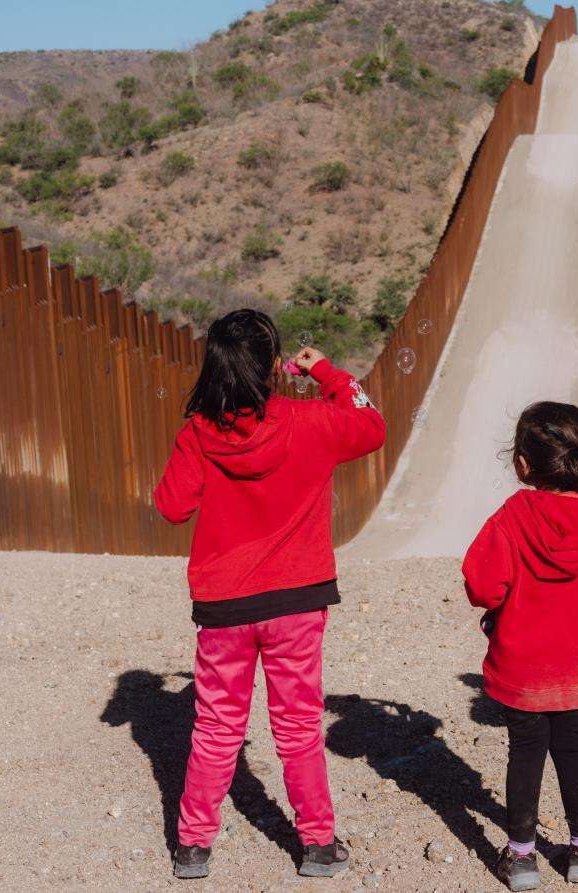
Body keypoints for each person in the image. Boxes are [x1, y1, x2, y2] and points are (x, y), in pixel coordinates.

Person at [153, 309, 385, 880]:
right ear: (275, 366)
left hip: (224, 605)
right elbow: (372, 425)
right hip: (297, 602)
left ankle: (193, 847)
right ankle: (318, 846)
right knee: (299, 726)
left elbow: (171, 506)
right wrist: (327, 373)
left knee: (216, 725)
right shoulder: (312, 421)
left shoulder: (199, 433)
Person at [462, 402, 578, 891]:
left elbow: (482, 586)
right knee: (575, 748)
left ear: (522, 463)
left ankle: (520, 857)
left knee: (525, 753)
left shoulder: (514, 515)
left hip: (522, 667)